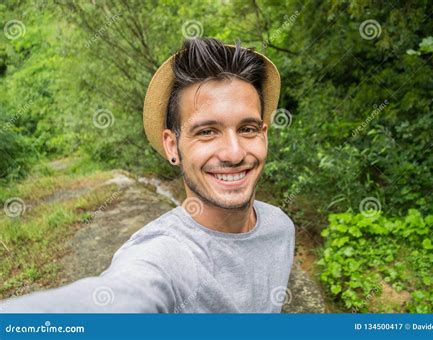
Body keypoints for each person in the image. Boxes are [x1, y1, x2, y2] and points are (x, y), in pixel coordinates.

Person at [0, 38, 295, 313]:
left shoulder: (280, 227)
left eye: (247, 129)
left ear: (264, 136)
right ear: (172, 145)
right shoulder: (162, 256)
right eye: (206, 132)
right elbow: (122, 297)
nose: (233, 153)